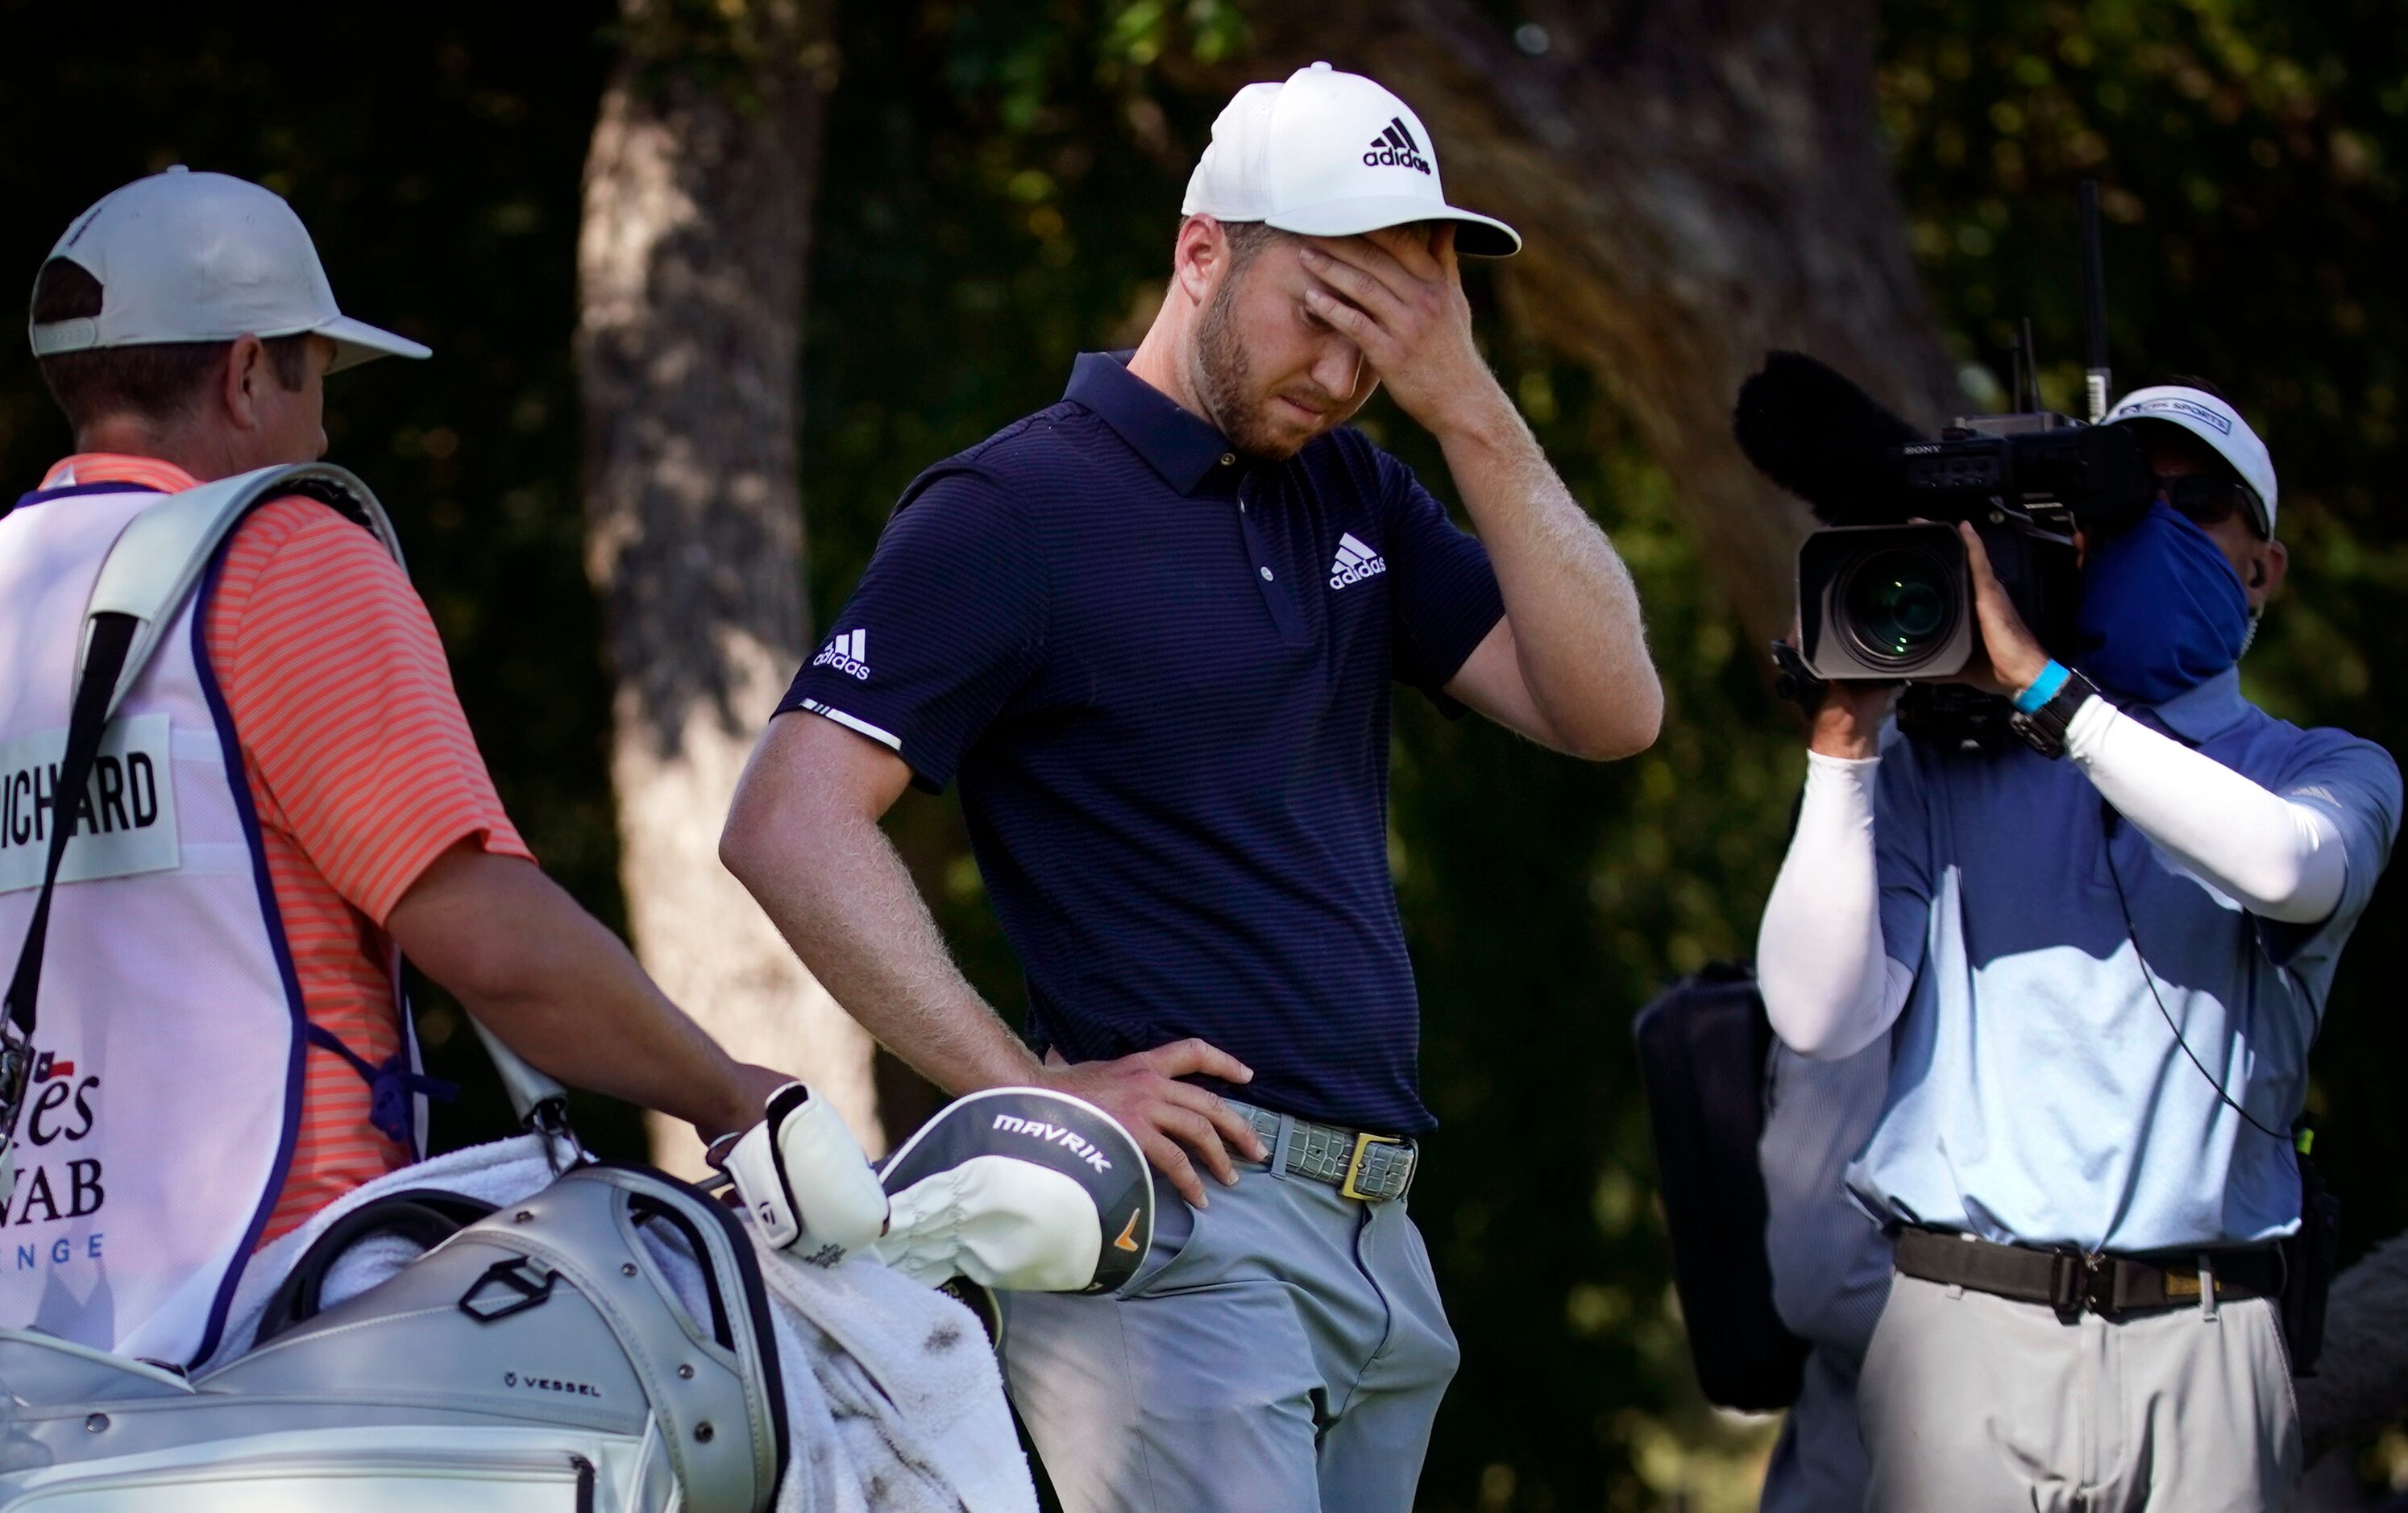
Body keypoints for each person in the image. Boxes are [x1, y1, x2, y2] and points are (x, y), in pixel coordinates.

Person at [722, 62, 1662, 1512]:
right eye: (1322, 312)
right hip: (1177, 1246)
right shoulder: (1013, 510)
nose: (1347, 375)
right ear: (1203, 251)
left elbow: (1611, 710)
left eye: (1387, 333)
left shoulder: (1356, 493)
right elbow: (787, 819)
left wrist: (1469, 407)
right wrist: (1029, 1094)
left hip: (1375, 1238)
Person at [1, 167, 791, 1370]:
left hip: (37, 1352)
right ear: (246, 370)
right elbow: (489, 941)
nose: (321, 427)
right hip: (286, 1306)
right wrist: (734, 1098)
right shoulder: (277, 555)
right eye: (316, 376)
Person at [1754, 379, 2401, 1511]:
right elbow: (1817, 1012)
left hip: (2209, 1331)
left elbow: (2290, 868)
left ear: (2267, 568)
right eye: (2114, 503)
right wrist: (1845, 741)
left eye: (2194, 502)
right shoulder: (1943, 764)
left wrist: (2053, 698)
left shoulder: (2325, 770)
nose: (2150, 528)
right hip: (1964, 1325)